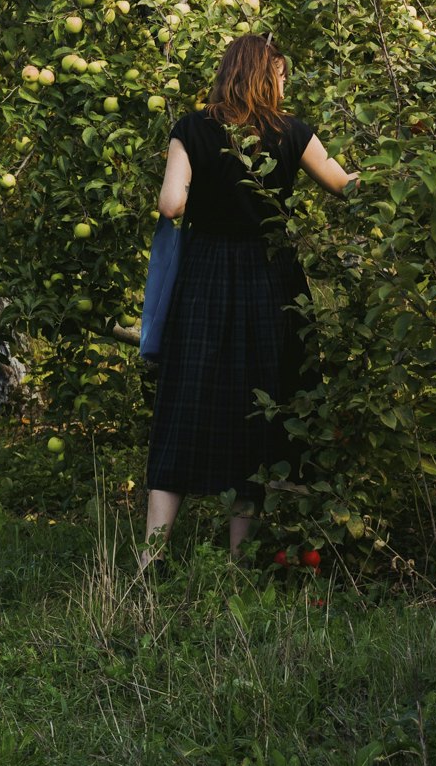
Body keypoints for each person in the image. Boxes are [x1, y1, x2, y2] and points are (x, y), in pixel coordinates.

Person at [142, 32, 350, 563]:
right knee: (258, 406)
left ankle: (151, 556)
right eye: (280, 74)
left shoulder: (191, 129)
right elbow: (342, 183)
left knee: (185, 403)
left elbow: (170, 206)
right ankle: (239, 562)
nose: (284, 84)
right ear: (265, 75)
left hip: (204, 279)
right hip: (268, 278)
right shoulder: (291, 133)